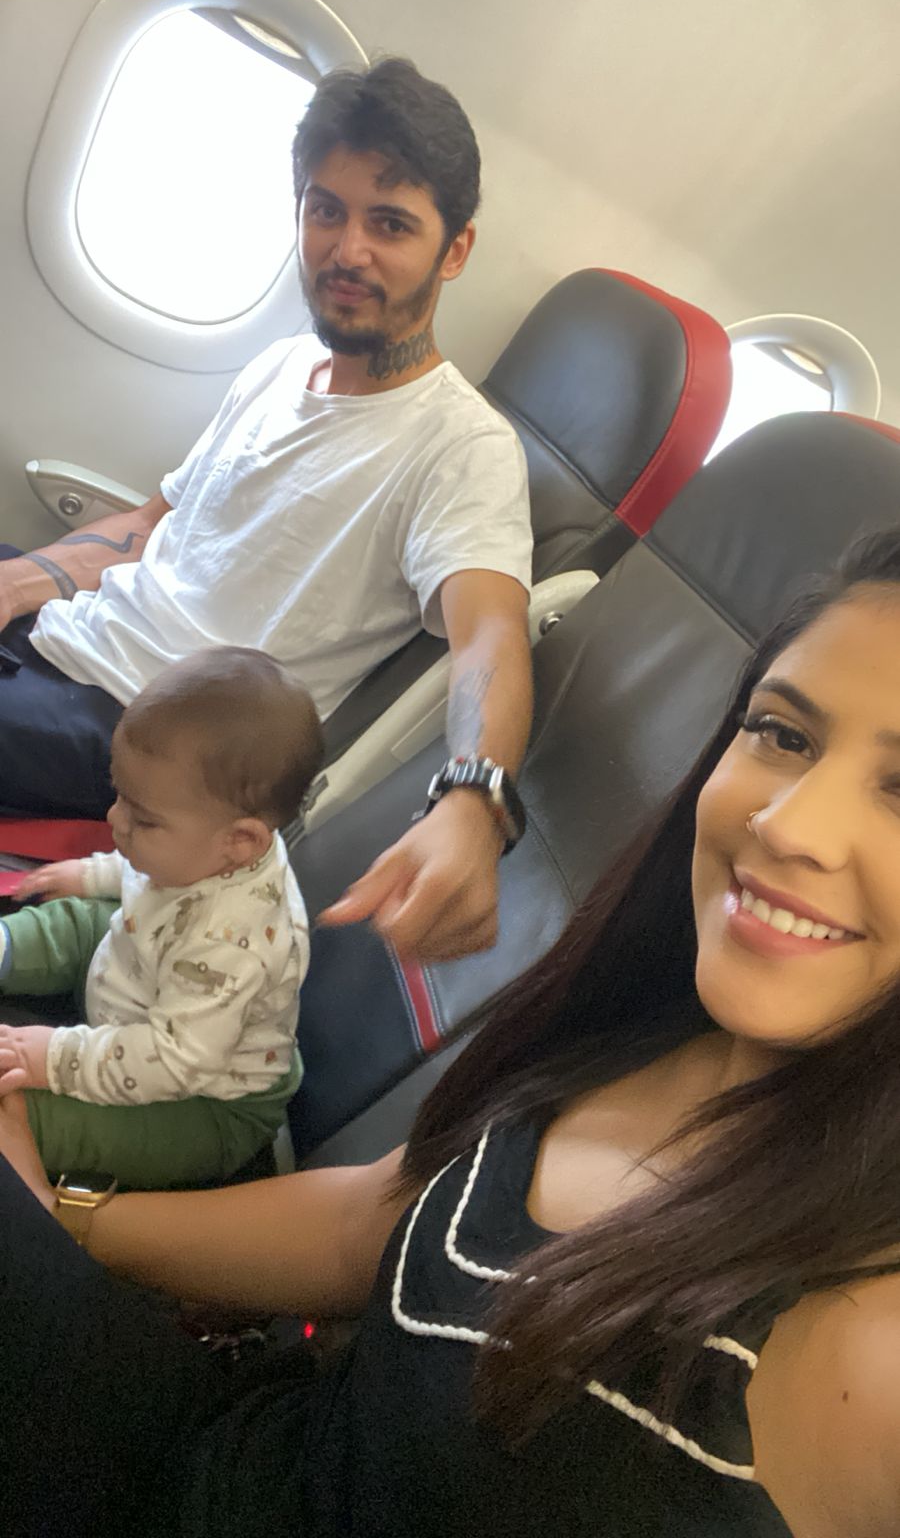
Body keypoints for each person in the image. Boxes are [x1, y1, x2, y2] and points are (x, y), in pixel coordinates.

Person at [12, 532, 900, 1535]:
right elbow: (372, 1224)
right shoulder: (647, 1024)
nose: (788, 823)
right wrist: (66, 1220)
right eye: (783, 733)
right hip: (230, 1450)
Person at [0, 57, 534, 964]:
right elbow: (149, 526)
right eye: (326, 210)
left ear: (455, 250)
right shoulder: (282, 365)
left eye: (389, 223)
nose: (347, 250)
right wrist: (20, 583)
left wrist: (475, 801)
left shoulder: (462, 444)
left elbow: (489, 634)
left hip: (145, 736)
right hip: (71, 638)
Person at [0, 646, 322, 1188]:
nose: (113, 819)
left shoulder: (230, 944)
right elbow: (144, 873)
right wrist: (93, 873)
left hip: (196, 1103)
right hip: (142, 979)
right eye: (120, 796)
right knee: (80, 920)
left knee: (33, 1118)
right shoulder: (209, 848)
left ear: (241, 841)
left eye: (142, 819)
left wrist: (52, 1059)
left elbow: (173, 1062)